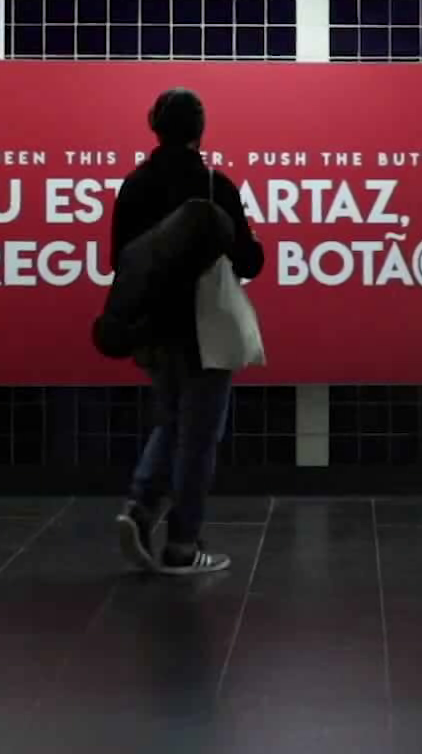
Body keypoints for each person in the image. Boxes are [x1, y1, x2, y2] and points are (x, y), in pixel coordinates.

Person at [109, 88, 265, 576]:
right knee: (198, 437)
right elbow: (249, 261)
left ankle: (140, 509)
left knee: (172, 419)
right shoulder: (215, 186)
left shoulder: (134, 185)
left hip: (153, 326)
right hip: (204, 325)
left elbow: (120, 260)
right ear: (200, 131)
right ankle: (182, 544)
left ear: (154, 127)